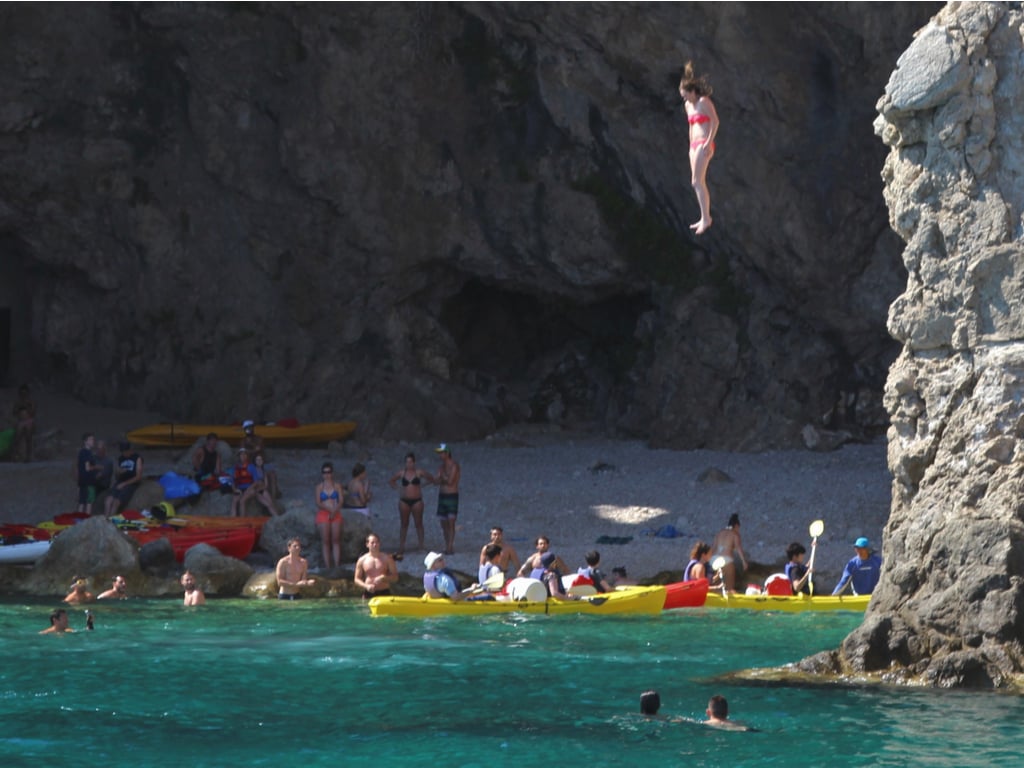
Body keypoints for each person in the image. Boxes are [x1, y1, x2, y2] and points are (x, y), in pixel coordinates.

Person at [679, 60, 719, 235]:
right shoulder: (688, 106)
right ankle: (704, 217)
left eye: (686, 95)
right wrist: (690, 146)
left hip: (704, 143)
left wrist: (708, 142)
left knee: (697, 181)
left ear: (693, 91)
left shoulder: (704, 102)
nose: (685, 98)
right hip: (694, 145)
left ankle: (706, 218)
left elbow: (715, 121)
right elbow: (690, 126)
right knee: (695, 182)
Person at [388, 453, 434, 556]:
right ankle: (401, 546)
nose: (409, 464)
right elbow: (391, 481)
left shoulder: (419, 472)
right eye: (407, 462)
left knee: (419, 523)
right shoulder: (402, 473)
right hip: (404, 500)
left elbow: (431, 478)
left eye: (410, 462)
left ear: (414, 462)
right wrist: (398, 488)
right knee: (404, 524)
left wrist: (423, 485)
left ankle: (421, 545)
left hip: (417, 500)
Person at [315, 462, 345, 569]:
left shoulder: (337, 486)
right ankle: (328, 566)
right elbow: (318, 502)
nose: (327, 475)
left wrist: (334, 511)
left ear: (332, 473)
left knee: (336, 540)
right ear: (322, 474)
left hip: (335, 512)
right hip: (324, 513)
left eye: (329, 472)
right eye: (324, 472)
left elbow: (341, 500)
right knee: (325, 541)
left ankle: (337, 565)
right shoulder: (319, 487)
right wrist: (329, 510)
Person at [433, 443, 461, 555]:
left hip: (452, 495)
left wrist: (442, 477)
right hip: (442, 496)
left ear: (447, 453)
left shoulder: (454, 466)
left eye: (442, 453)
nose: (440, 455)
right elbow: (436, 481)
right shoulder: (441, 467)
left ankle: (450, 547)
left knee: (451, 522)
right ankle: (447, 545)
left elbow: (450, 481)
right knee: (443, 522)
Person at [103, 441, 143, 517]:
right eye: (122, 452)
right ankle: (105, 519)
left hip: (131, 483)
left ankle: (111, 520)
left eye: (125, 452)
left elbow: (138, 477)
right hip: (120, 481)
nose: (124, 454)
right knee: (108, 500)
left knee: (116, 502)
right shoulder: (121, 458)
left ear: (129, 450)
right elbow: (116, 476)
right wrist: (118, 472)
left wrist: (124, 484)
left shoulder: (137, 458)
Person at [242, 420, 280, 499]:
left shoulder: (259, 438)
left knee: (272, 475)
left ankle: (273, 497)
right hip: (252, 465)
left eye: (250, 428)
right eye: (247, 428)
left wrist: (250, 445)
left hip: (262, 462)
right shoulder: (243, 441)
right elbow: (244, 454)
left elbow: (258, 448)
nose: (249, 430)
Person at [711, 513, 748, 593]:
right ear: (736, 526)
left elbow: (713, 547)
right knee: (729, 583)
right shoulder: (735, 534)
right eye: (738, 528)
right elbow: (739, 549)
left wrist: (708, 560)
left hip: (714, 559)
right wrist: (744, 562)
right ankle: (729, 597)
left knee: (717, 581)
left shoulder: (720, 533)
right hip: (726, 560)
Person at [354, 533, 398, 599]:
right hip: (368, 593)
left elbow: (395, 577)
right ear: (367, 545)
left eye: (377, 542)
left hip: (384, 592)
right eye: (372, 543)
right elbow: (356, 579)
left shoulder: (387, 559)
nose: (375, 544)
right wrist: (366, 586)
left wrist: (384, 578)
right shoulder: (362, 560)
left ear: (379, 544)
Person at [75, 433, 101, 515]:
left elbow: (79, 468)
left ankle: (79, 522)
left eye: (93, 439)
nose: (93, 441)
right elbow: (87, 468)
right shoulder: (87, 453)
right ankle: (87, 522)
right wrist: (97, 467)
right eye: (91, 439)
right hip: (89, 482)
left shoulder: (81, 452)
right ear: (85, 441)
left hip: (82, 481)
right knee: (89, 502)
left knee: (82, 503)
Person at [229, 447, 259, 517]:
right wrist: (234, 489)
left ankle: (243, 520)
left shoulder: (251, 466)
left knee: (242, 501)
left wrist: (249, 489)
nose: (243, 456)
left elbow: (256, 481)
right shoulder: (235, 467)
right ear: (239, 456)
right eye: (241, 454)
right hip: (240, 489)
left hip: (250, 488)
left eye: (245, 454)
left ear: (247, 456)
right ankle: (232, 520)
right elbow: (232, 480)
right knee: (234, 501)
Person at [11, 384, 35, 462]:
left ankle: (28, 457)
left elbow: (33, 412)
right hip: (21, 421)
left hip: (29, 421)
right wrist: (19, 407)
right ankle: (15, 456)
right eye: (22, 393)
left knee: (28, 438)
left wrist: (27, 406)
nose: (23, 395)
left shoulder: (31, 402)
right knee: (17, 438)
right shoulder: (18, 402)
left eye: (25, 393)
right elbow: (14, 412)